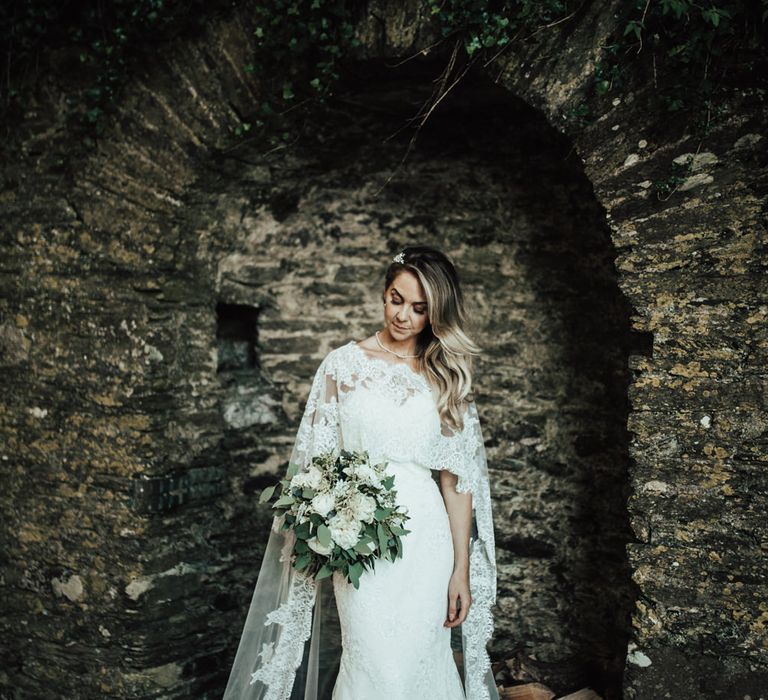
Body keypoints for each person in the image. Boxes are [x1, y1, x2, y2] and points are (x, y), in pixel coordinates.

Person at [223, 245, 498, 700]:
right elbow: (314, 463)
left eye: (419, 308)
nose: (403, 316)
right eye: (395, 298)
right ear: (383, 292)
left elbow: (456, 481)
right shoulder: (342, 365)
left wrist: (460, 571)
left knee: (422, 660)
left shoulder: (446, 374)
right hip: (361, 540)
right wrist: (323, 521)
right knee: (373, 662)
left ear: (436, 312)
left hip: (427, 544)